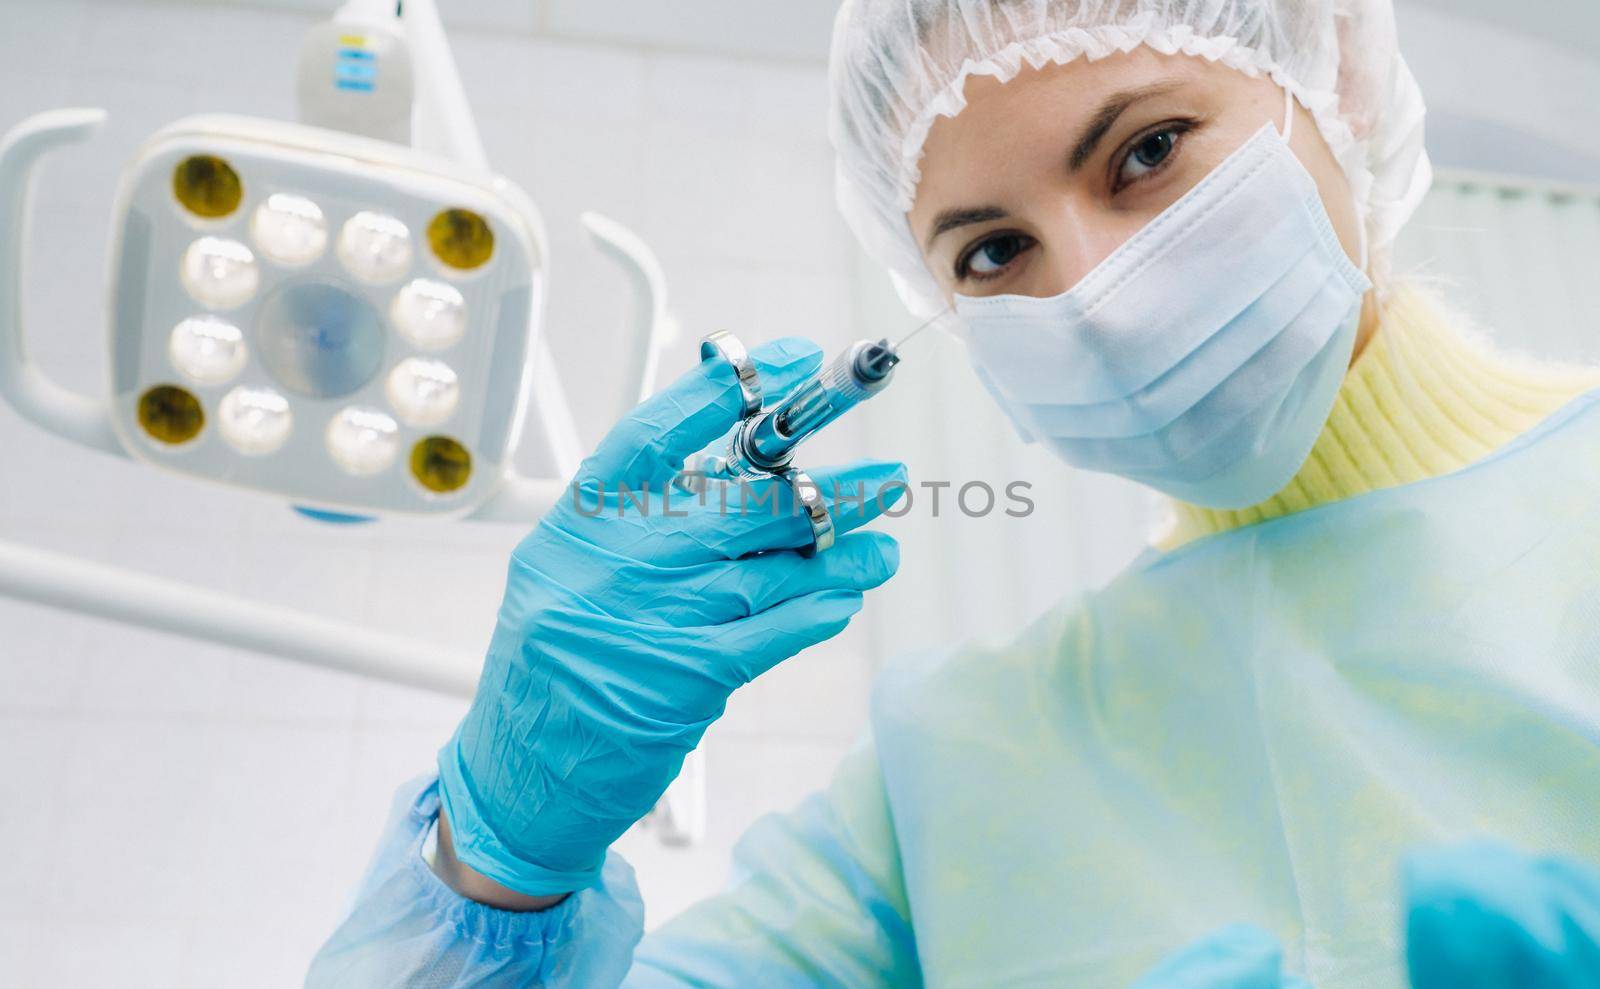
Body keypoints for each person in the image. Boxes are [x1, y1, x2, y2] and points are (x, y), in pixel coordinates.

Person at [308, 1, 1600, 985]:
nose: (1090, 286)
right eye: (993, 250)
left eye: (1147, 151)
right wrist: (498, 860)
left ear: (1345, 81)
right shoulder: (951, 773)